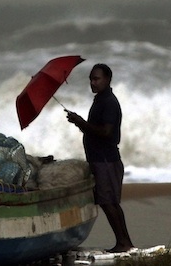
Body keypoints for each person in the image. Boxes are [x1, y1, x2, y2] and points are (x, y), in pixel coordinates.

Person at [66, 63, 134, 253]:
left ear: (107, 79)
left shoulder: (109, 102)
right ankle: (125, 242)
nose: (93, 82)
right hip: (100, 159)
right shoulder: (100, 100)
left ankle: (124, 243)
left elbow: (105, 132)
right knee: (109, 202)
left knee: (108, 202)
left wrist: (81, 122)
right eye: (91, 79)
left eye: (96, 79)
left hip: (106, 160)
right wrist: (79, 123)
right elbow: (95, 130)